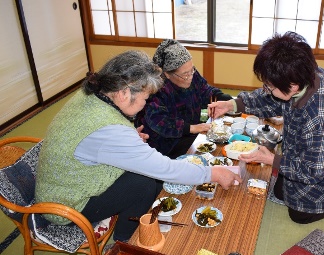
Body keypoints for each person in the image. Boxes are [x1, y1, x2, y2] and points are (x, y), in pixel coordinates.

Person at [35, 50, 242, 242]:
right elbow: (165, 168)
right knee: (143, 184)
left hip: (67, 180)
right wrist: (212, 173)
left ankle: (137, 226)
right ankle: (124, 244)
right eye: (145, 98)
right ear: (124, 93)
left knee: (147, 181)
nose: (146, 103)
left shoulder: (93, 93)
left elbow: (91, 138)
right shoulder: (110, 129)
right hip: (66, 204)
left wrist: (127, 140)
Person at [209, 32, 324, 224]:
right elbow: (268, 99)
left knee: (299, 215)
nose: (267, 89)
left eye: (269, 86)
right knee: (280, 192)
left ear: (293, 86)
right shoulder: (309, 75)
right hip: (310, 153)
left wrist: (270, 158)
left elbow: (312, 172)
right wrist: (231, 105)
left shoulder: (320, 119)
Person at [135, 39, 233, 159]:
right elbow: (160, 122)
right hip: (165, 145)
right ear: (167, 74)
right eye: (185, 74)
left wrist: (222, 98)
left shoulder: (191, 73)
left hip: (189, 133)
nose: (190, 76)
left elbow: (204, 89)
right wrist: (192, 128)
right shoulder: (155, 88)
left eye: (192, 70)